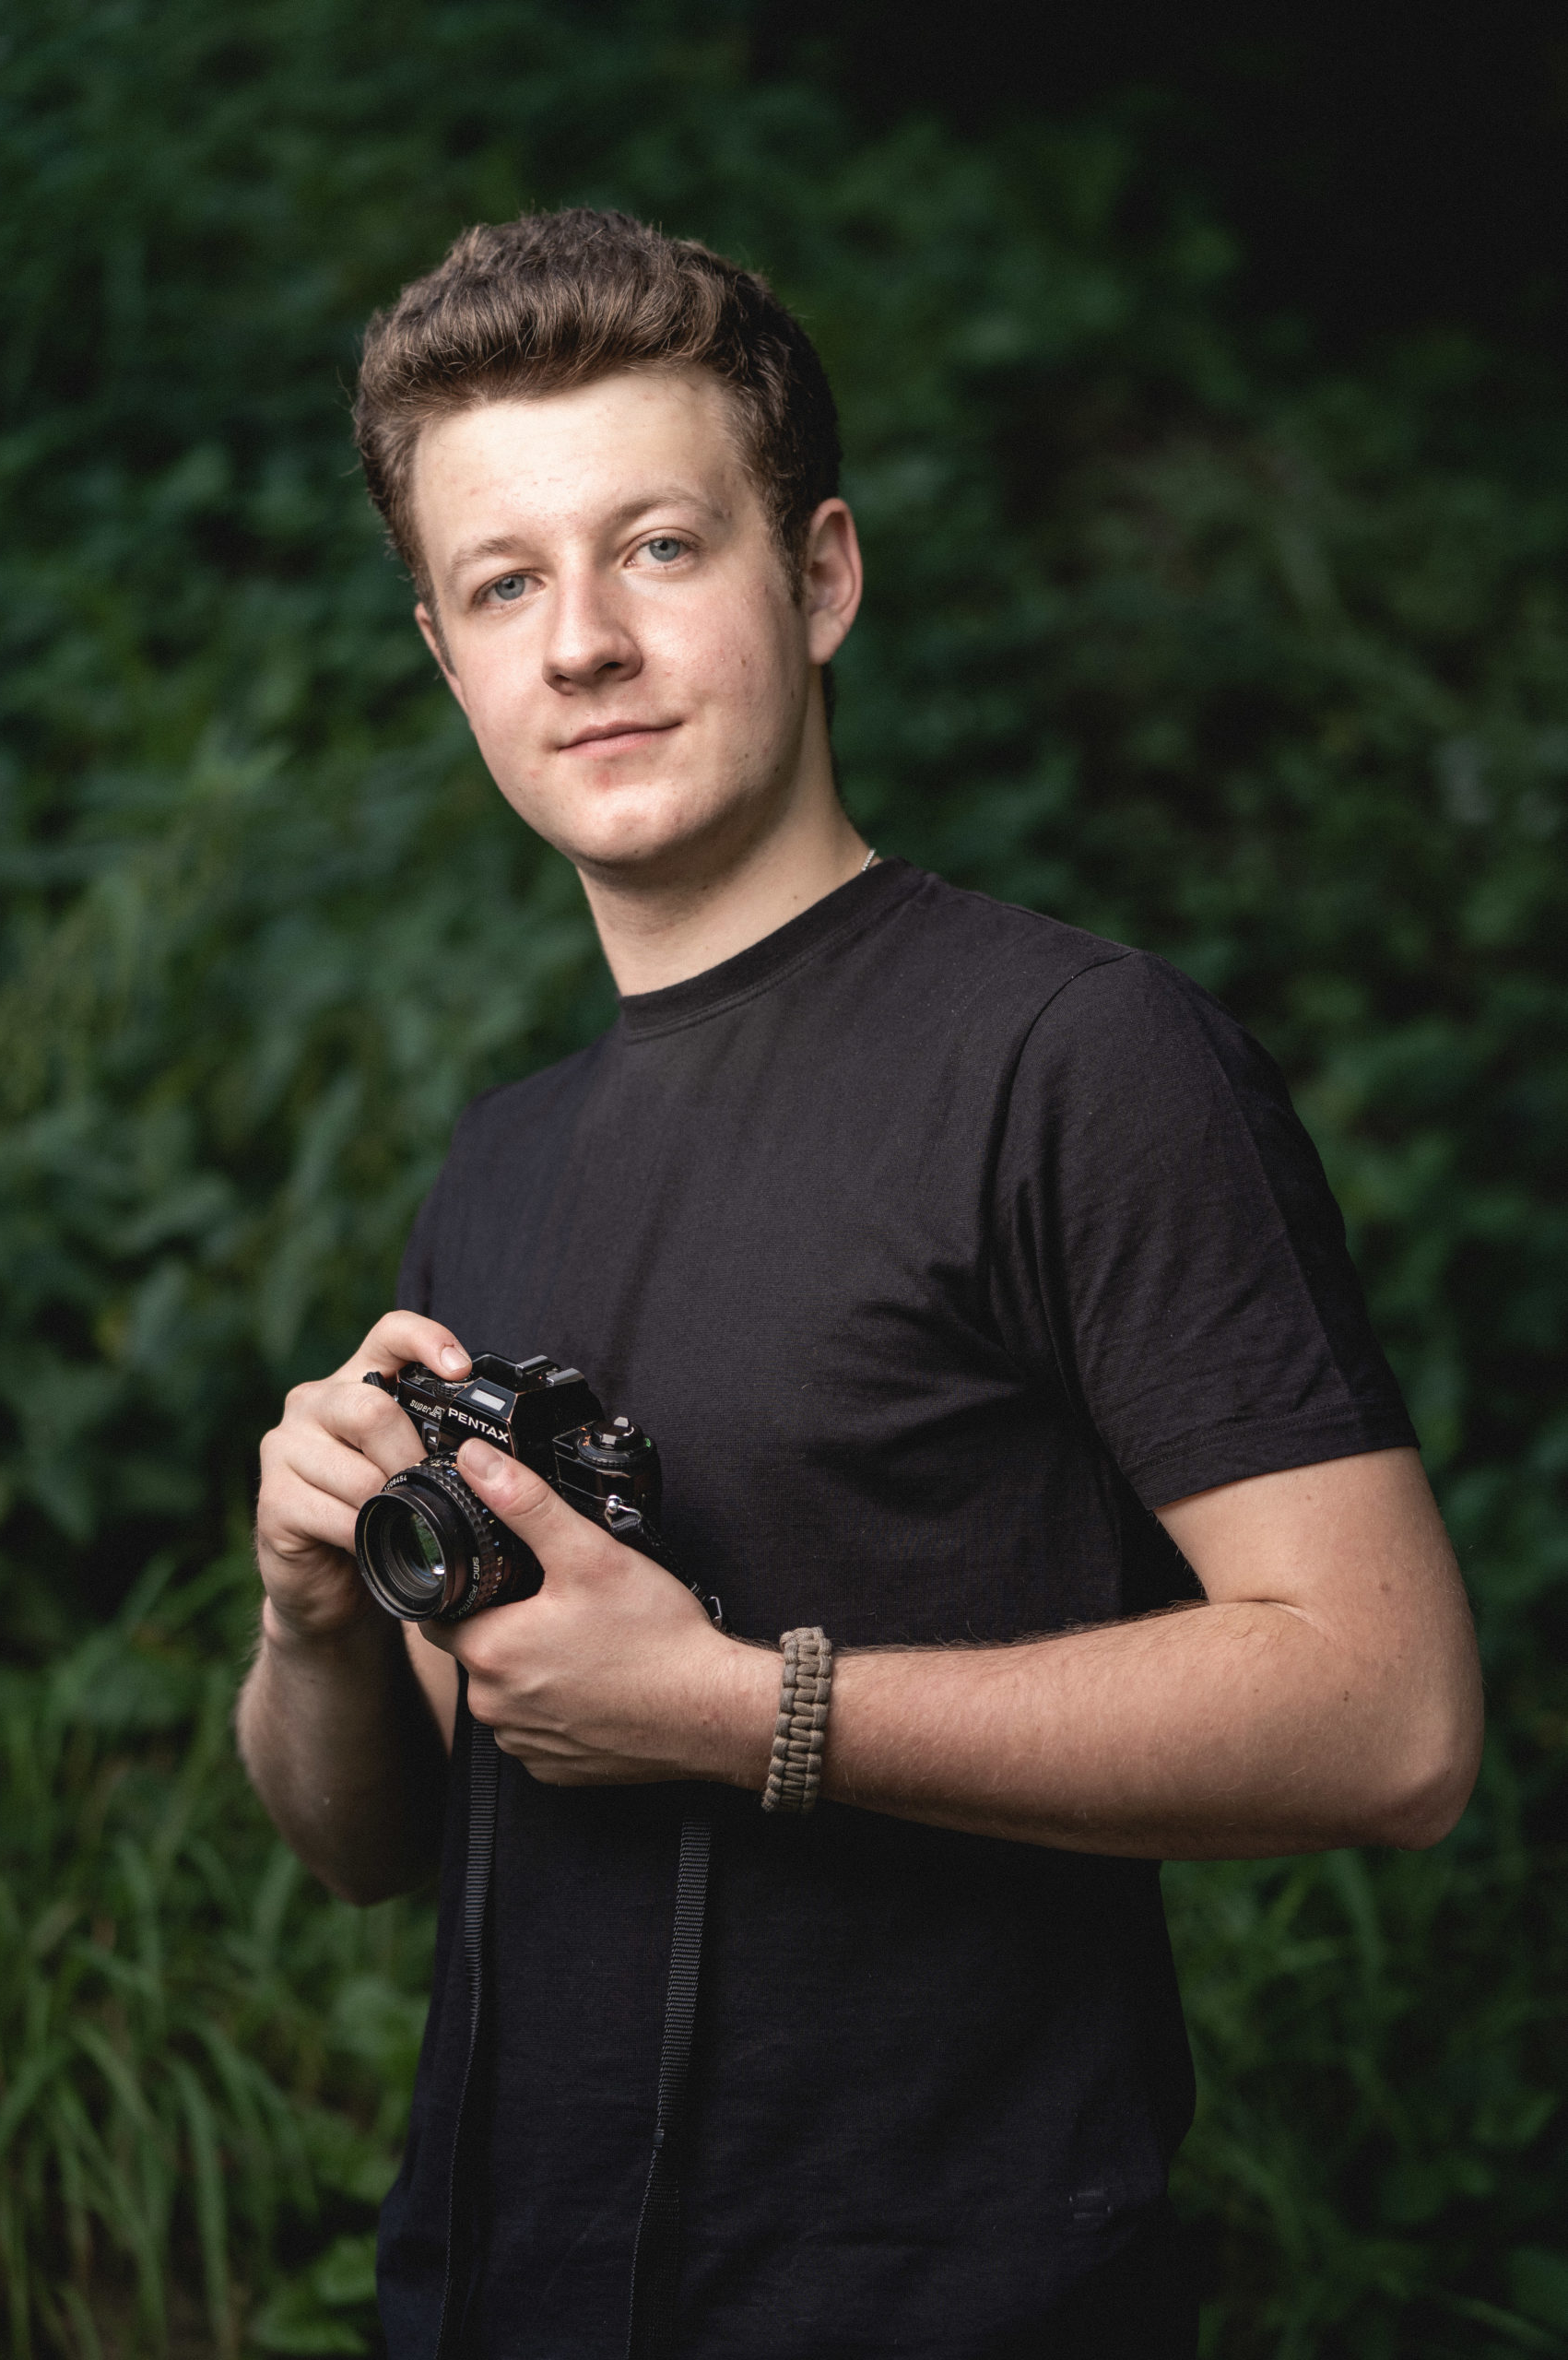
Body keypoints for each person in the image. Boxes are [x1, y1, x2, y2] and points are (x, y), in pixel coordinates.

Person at [238, 208, 1483, 2359]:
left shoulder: (1074, 1060)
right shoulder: (501, 1151)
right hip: (484, 2297)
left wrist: (742, 1709)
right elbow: (379, 1840)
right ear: (445, 657)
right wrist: (311, 1605)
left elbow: (1386, 1715)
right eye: (504, 583)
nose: (580, 645)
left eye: (655, 547)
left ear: (816, 575)